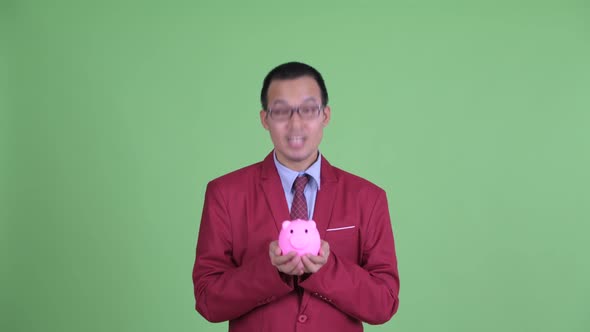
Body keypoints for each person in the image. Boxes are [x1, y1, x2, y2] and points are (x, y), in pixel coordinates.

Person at [192, 62, 400, 331]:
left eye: (308, 110)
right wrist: (270, 269)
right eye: (280, 111)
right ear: (265, 119)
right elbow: (208, 300)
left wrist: (328, 268)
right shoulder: (225, 194)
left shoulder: (368, 198)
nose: (295, 123)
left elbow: (384, 304)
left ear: (325, 115)